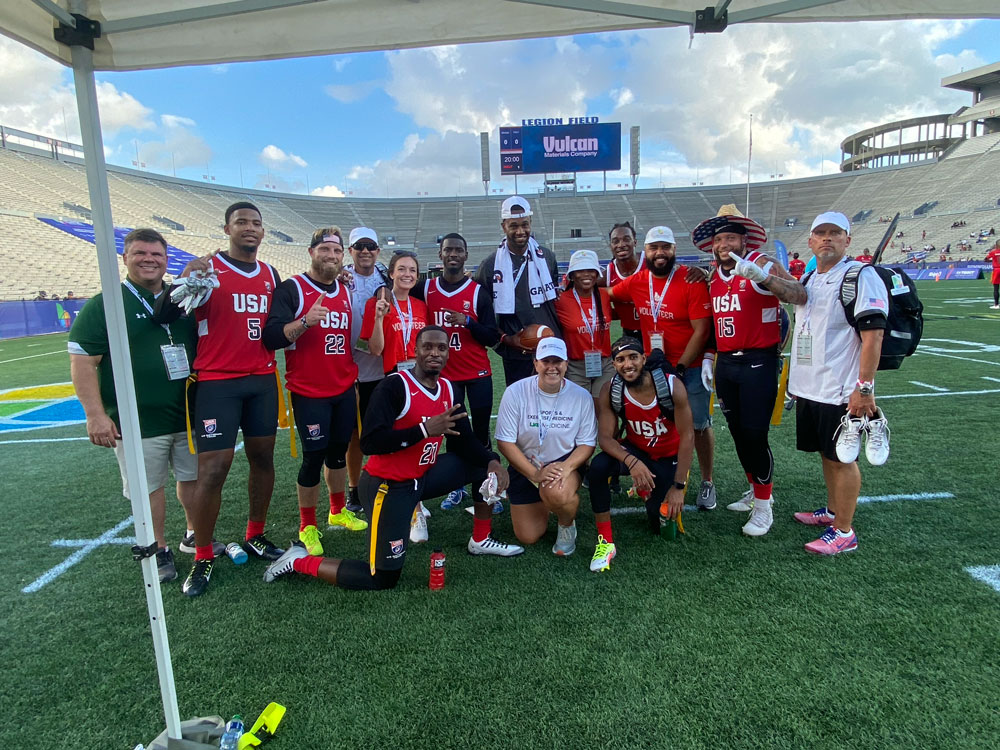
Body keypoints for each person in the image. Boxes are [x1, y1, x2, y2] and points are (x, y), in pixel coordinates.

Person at [261, 327, 522, 590]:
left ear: (448, 353)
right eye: (428, 347)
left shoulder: (448, 388)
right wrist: (424, 430)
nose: (435, 353)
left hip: (423, 476)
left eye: (441, 348)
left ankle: (480, 539)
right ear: (416, 351)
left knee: (479, 465)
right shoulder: (395, 386)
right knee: (382, 579)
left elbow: (465, 439)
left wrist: (492, 461)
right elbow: (370, 442)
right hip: (388, 486)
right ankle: (298, 561)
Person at [158, 201, 285, 597]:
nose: (250, 228)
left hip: (262, 380)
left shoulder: (270, 274)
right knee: (213, 469)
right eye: (241, 222)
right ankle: (202, 556)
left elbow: (276, 328)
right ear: (227, 228)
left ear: (263, 232)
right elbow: (165, 313)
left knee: (263, 457)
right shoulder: (208, 269)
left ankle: (256, 534)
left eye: (256, 223)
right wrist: (184, 277)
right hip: (217, 383)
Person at [68, 228, 198, 583]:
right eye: (140, 253)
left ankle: (192, 534)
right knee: (148, 486)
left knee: (192, 477)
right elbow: (83, 362)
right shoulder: (106, 303)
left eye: (156, 254)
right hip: (137, 419)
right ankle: (158, 546)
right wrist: (95, 414)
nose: (149, 260)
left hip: (185, 414)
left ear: (166, 260)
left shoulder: (180, 298)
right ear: (125, 259)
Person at [691, 205, 806, 536]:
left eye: (730, 237)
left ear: (744, 240)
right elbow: (715, 324)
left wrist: (765, 279)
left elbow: (800, 294)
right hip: (728, 363)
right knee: (739, 434)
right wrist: (710, 358)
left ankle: (764, 506)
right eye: (718, 239)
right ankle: (754, 489)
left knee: (755, 435)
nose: (723, 244)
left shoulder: (762, 263)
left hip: (758, 361)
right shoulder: (713, 276)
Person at [263, 226, 368, 559]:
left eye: (337, 251)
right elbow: (272, 338)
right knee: (313, 457)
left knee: (338, 453)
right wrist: (305, 322)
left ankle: (337, 510)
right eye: (325, 249)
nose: (332, 256)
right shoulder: (293, 288)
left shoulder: (345, 289)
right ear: (311, 252)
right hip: (309, 390)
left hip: (343, 386)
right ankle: (306, 525)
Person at [789, 212, 887, 555]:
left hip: (841, 387)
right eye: (820, 233)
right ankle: (832, 511)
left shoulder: (861, 275)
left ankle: (844, 531)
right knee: (827, 454)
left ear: (847, 239)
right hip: (812, 385)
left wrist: (864, 388)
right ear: (811, 242)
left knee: (843, 458)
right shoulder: (814, 276)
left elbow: (873, 335)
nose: (827, 239)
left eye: (835, 233)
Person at [606, 226, 717, 511]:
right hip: (652, 367)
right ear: (645, 251)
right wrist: (576, 289)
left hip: (687, 366)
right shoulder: (637, 280)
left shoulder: (690, 280)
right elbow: (608, 293)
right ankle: (652, 475)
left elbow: (702, 329)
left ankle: (707, 480)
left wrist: (678, 366)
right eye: (654, 248)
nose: (659, 253)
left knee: (699, 425)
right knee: (653, 424)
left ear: (674, 250)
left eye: (665, 247)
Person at [586, 337, 694, 572]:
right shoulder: (611, 389)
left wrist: (678, 486)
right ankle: (605, 541)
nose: (628, 365)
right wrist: (632, 462)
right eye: (620, 360)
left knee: (662, 527)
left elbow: (687, 437)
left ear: (644, 358)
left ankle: (650, 489)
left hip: (667, 456)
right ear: (613, 364)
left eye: (633, 357)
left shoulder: (671, 386)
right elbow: (604, 438)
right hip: (637, 451)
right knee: (598, 468)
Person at [414, 233, 500, 510]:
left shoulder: (477, 292)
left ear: (465, 256)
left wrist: (469, 323)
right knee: (452, 433)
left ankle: (485, 489)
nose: (453, 254)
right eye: (448, 249)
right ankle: (457, 488)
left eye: (458, 250)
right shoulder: (425, 288)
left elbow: (491, 336)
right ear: (440, 255)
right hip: (445, 380)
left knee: (481, 433)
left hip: (477, 374)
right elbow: (395, 292)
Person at [495, 337, 597, 558]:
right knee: (528, 536)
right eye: (546, 361)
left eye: (558, 361)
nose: (552, 367)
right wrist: (535, 473)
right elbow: (504, 441)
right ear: (535, 363)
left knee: (556, 492)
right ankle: (545, 499)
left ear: (566, 364)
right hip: (525, 465)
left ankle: (566, 524)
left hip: (563, 461)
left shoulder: (581, 397)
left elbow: (587, 443)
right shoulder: (515, 392)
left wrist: (567, 468)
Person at [474, 195, 561, 386]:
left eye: (525, 224)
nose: (520, 231)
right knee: (521, 405)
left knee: (554, 403)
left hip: (550, 346)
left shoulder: (547, 257)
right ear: (503, 226)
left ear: (531, 223)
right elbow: (481, 311)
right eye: (514, 226)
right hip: (517, 350)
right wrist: (506, 338)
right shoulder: (490, 265)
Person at [344, 227, 388, 515]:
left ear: (377, 250)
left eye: (370, 246)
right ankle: (353, 489)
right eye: (359, 246)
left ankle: (383, 482)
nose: (365, 251)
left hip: (379, 367)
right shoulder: (339, 278)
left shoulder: (386, 278)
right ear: (350, 251)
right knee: (352, 436)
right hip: (345, 368)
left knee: (381, 431)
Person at [554, 249, 614, 405]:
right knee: (581, 411)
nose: (586, 274)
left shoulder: (605, 295)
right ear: (572, 275)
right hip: (576, 366)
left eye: (590, 270)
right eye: (580, 270)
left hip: (605, 364)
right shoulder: (560, 300)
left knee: (604, 410)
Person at [604, 222, 642, 338]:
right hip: (629, 333)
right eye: (615, 241)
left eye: (626, 239)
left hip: (658, 330)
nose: (621, 244)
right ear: (611, 246)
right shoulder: (608, 273)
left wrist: (699, 271)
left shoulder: (650, 262)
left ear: (635, 242)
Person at [986, 240, 1000, 309]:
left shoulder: (993, 252)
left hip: (997, 270)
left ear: (996, 245)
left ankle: (996, 305)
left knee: (996, 288)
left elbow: (986, 259)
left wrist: (992, 260)